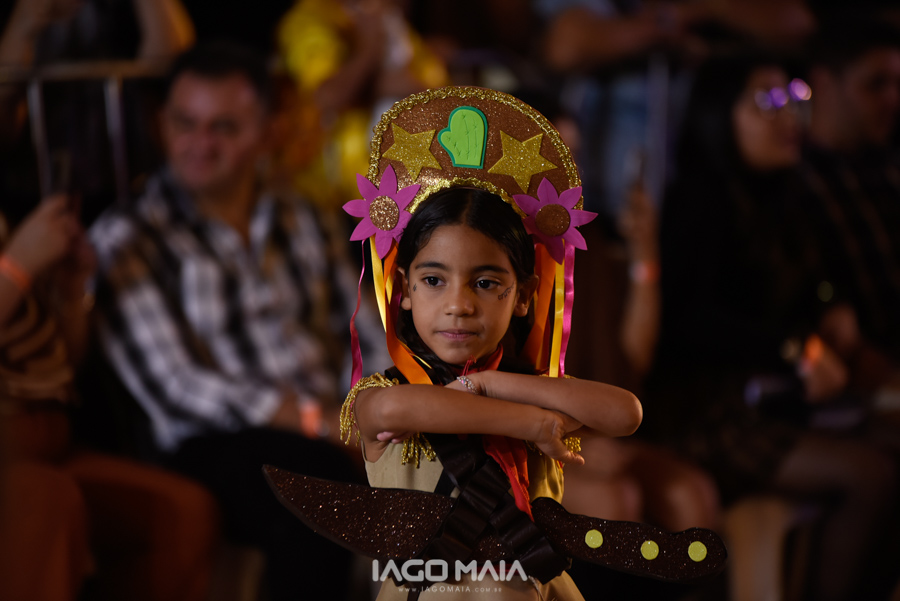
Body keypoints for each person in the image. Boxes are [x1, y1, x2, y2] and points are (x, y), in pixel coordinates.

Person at [90, 42, 384, 601]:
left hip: (336, 421)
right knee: (313, 487)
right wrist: (323, 425)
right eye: (185, 124)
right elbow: (177, 385)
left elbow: (365, 331)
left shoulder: (301, 214)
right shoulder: (129, 237)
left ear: (268, 132)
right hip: (213, 438)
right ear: (161, 125)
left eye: (224, 127)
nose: (200, 144)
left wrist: (384, 409)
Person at [335, 86, 648, 600]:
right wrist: (531, 424)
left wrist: (488, 385)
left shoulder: (529, 388)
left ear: (523, 296)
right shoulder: (384, 395)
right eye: (434, 280)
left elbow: (625, 413)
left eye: (484, 283)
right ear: (403, 289)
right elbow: (395, 409)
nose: (459, 304)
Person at [646, 53, 896, 601]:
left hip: (774, 399)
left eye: (795, 99)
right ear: (719, 115)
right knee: (870, 477)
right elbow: (691, 321)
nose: (788, 117)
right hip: (706, 409)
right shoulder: (700, 200)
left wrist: (832, 306)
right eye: (767, 101)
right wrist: (793, 348)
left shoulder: (786, 193)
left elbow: (815, 282)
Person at [0, 196, 218, 601]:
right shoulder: (17, 249)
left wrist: (72, 292)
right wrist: (17, 266)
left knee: (183, 512)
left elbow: (62, 365)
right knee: (44, 501)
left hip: (53, 436)